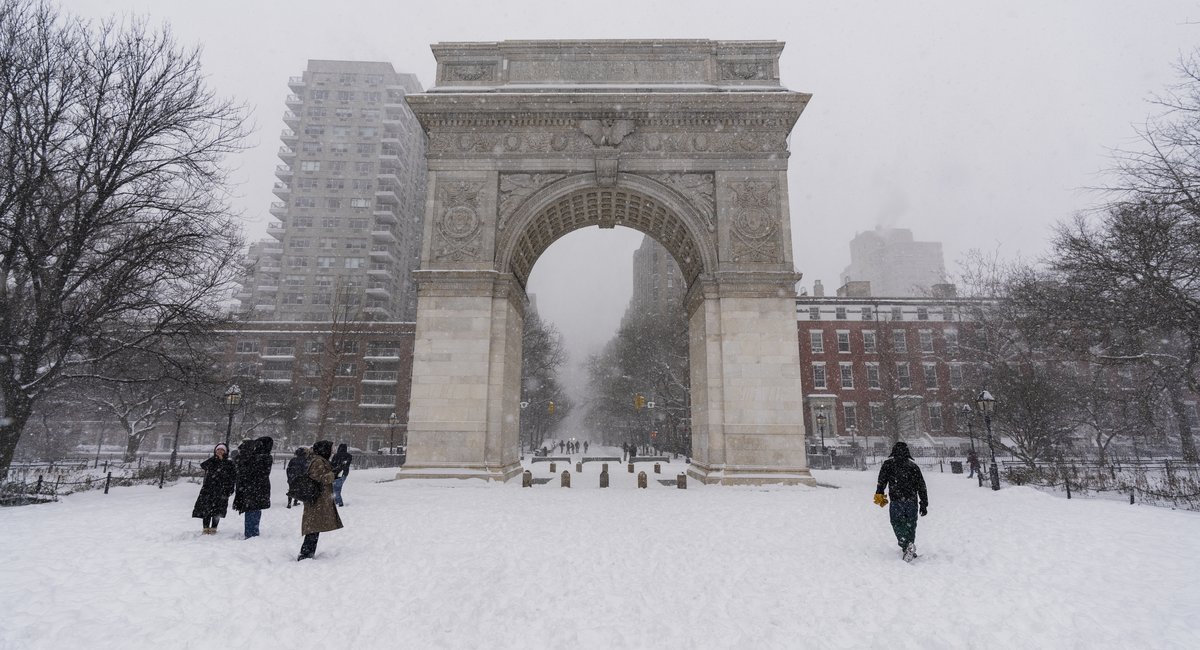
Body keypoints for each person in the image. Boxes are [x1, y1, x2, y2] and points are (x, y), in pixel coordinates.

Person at [873, 441, 929, 561]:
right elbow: (921, 486)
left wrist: (879, 494)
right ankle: (909, 545)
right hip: (912, 501)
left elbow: (881, 481)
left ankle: (905, 544)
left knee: (897, 523)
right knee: (911, 524)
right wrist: (923, 503)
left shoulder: (888, 465)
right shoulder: (913, 467)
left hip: (896, 500)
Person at [298, 440, 344, 561]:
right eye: (330, 449)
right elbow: (321, 478)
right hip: (316, 498)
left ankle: (308, 553)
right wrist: (333, 474)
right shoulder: (318, 461)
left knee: (315, 526)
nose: (332, 451)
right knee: (313, 527)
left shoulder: (318, 459)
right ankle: (305, 554)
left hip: (317, 498)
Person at [233, 436, 273, 539]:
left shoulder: (260, 457)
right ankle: (252, 532)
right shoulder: (262, 456)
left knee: (252, 509)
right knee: (253, 509)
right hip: (257, 488)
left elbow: (250, 470)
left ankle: (251, 533)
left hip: (254, 487)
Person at [192, 443, 236, 534]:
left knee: (217, 511)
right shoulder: (211, 461)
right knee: (206, 509)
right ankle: (205, 528)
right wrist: (215, 459)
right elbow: (203, 465)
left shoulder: (229, 463)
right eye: (218, 450)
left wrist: (222, 461)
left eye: (222, 450)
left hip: (222, 490)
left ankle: (213, 528)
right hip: (208, 490)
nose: (220, 451)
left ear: (225, 452)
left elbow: (231, 477)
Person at [330, 443, 353, 507]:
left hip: (336, 473)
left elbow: (332, 464)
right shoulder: (349, 456)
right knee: (338, 488)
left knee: (336, 488)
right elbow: (346, 465)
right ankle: (337, 501)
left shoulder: (336, 455)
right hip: (344, 474)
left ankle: (339, 502)